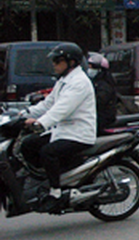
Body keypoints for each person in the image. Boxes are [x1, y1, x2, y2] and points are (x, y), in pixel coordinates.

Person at [20, 43, 96, 212]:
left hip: (78, 133)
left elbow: (61, 109)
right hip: (62, 131)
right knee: (28, 144)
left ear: (72, 62)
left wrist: (40, 123)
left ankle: (56, 191)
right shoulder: (64, 81)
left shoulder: (79, 83)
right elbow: (48, 104)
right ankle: (43, 180)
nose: (54, 65)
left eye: (58, 61)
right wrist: (23, 114)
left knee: (48, 152)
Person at [87, 53, 118, 134]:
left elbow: (99, 101)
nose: (89, 69)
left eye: (92, 67)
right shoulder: (93, 82)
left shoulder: (104, 85)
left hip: (103, 118)